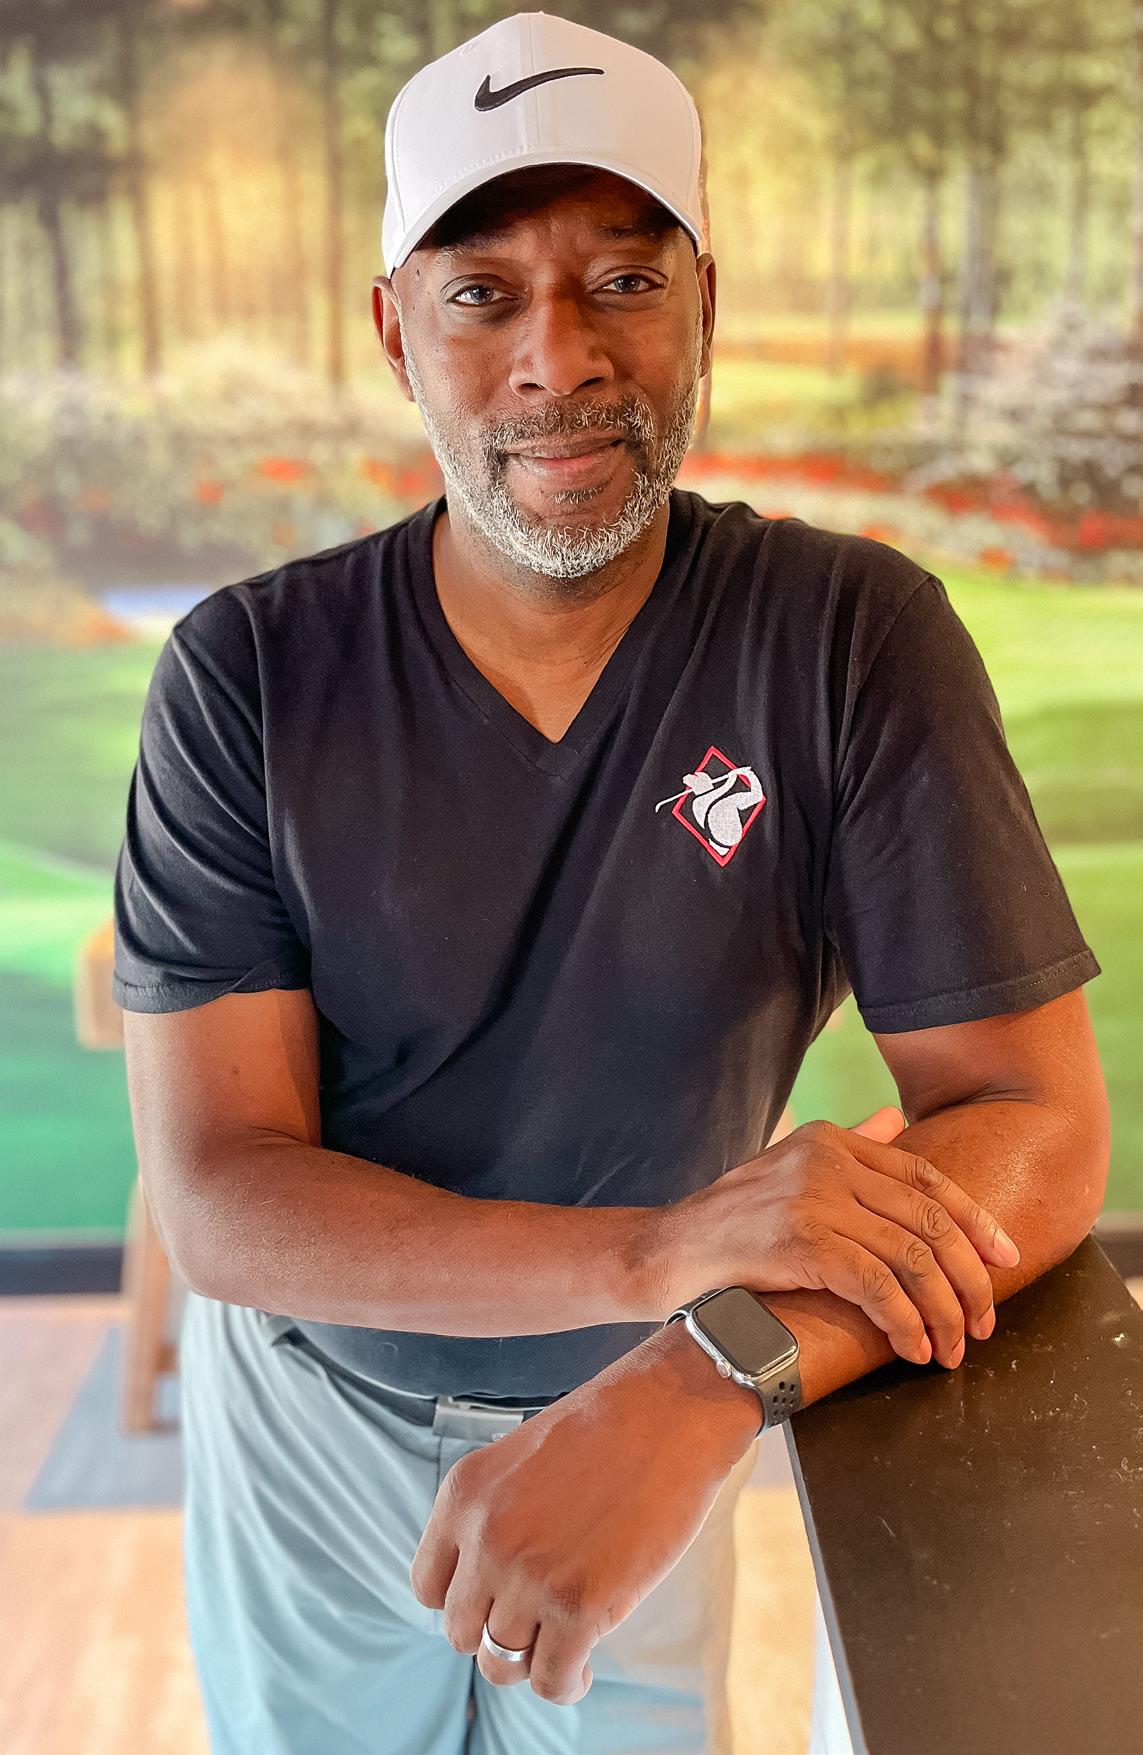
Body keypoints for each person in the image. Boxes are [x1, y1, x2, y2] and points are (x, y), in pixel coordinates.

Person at [112, 12, 1109, 1755]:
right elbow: (220, 1201)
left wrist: (700, 1376)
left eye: (624, 282)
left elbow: (1035, 1124)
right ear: (395, 329)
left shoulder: (847, 640)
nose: (556, 360)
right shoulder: (249, 675)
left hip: (647, 1400)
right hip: (313, 1414)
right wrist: (667, 1257)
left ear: (705, 301)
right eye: (482, 293)